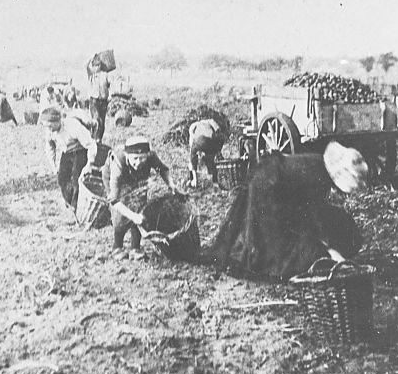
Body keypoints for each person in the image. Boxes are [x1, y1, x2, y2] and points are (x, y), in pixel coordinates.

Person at [204, 141, 368, 281]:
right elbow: (311, 218)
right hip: (268, 188)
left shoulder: (320, 167)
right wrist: (331, 252)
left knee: (318, 233)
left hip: (277, 187)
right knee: (278, 246)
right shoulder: (317, 177)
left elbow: (307, 209)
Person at [103, 135, 182, 252]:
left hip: (137, 178)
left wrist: (171, 185)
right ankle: (117, 246)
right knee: (120, 215)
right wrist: (133, 216)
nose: (138, 162)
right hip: (115, 179)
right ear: (127, 155)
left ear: (147, 155)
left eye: (142, 158)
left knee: (140, 207)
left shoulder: (151, 157)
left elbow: (163, 170)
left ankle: (135, 247)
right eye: (135, 158)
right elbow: (114, 200)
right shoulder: (118, 163)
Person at [41, 106, 100, 210]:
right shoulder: (50, 131)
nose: (49, 129)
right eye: (46, 127)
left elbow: (91, 145)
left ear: (58, 121)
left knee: (77, 178)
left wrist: (89, 164)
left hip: (81, 151)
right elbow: (50, 147)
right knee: (62, 178)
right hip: (67, 153)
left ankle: (76, 206)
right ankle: (68, 201)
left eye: (50, 126)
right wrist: (53, 165)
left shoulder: (73, 126)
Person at [188, 118, 227, 188]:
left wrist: (195, 153)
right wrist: (218, 151)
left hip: (198, 141)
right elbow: (218, 133)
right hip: (210, 141)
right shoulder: (211, 121)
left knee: (192, 157)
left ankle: (194, 179)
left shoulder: (193, 125)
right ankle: (214, 181)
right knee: (211, 160)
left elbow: (191, 144)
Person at [87, 57, 111, 142]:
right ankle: (93, 137)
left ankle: (99, 139)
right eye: (95, 66)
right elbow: (86, 66)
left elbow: (108, 86)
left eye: (99, 65)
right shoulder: (91, 75)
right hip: (94, 100)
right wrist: (91, 57)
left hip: (103, 100)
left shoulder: (105, 74)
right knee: (96, 120)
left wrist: (109, 96)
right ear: (93, 66)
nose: (97, 67)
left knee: (102, 121)